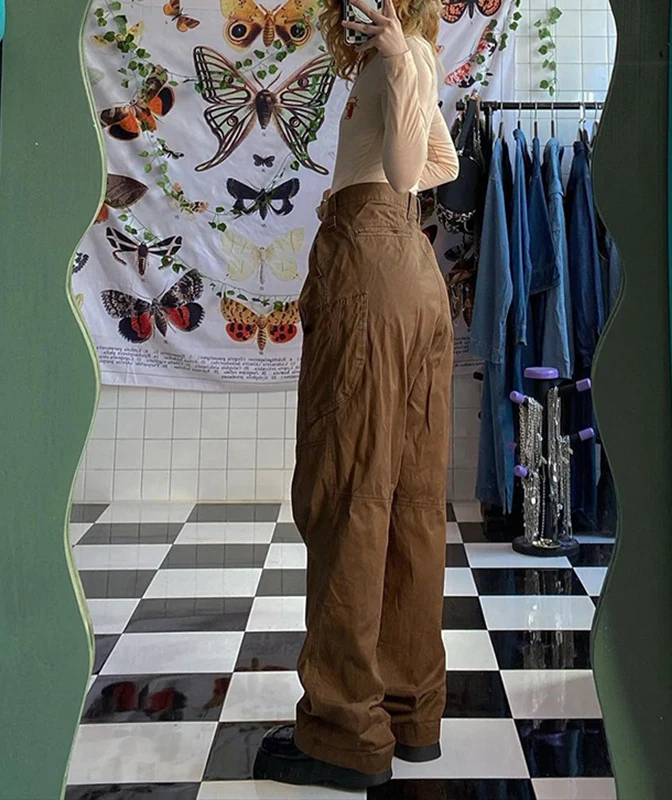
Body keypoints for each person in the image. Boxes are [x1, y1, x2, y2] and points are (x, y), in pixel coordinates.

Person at [252, 0, 459, 791]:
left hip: (371, 267)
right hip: (410, 266)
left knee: (349, 490)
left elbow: (405, 171)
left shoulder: (401, 56)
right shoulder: (409, 58)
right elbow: (441, 164)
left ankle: (345, 734)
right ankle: (410, 712)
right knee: (410, 497)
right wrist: (402, 67)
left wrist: (398, 59)